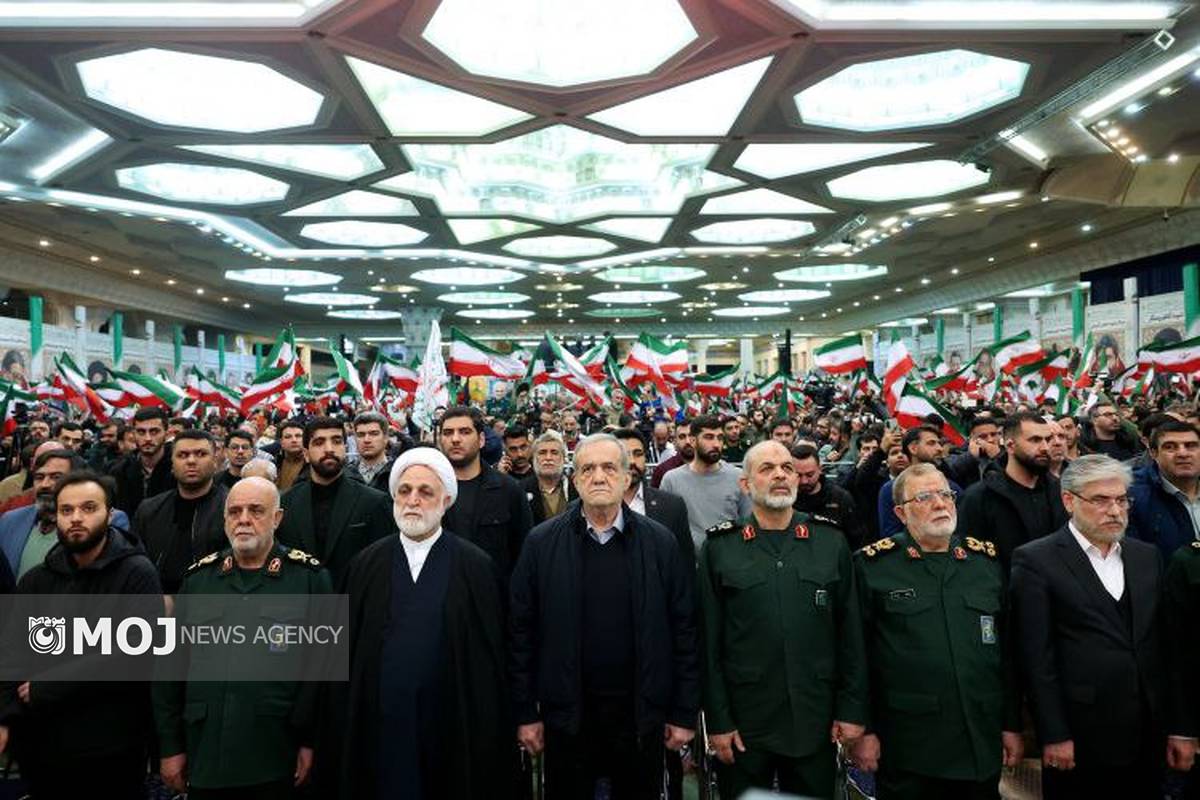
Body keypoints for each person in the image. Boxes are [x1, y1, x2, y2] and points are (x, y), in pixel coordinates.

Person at [510, 433, 699, 799]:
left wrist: (683, 712)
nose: (598, 477)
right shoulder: (541, 543)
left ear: (627, 477)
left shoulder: (660, 543)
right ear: (575, 478)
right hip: (567, 720)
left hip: (640, 718)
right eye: (588, 469)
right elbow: (521, 633)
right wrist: (526, 713)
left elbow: (684, 630)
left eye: (609, 468)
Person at [320, 448, 511, 799]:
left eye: (425, 492)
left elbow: (491, 662)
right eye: (405, 491)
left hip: (451, 728)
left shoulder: (476, 567)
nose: (413, 501)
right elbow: (341, 656)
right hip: (378, 726)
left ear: (446, 501)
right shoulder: (364, 565)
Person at [1010, 455, 1194, 799]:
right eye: (1101, 500)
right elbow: (1035, 659)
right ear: (1069, 501)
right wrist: (1054, 734)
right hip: (1080, 736)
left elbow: (1169, 648)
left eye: (1122, 500)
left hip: (1149, 735)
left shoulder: (1146, 557)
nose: (1115, 510)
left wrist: (1181, 728)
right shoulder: (1036, 560)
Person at [698, 440, 866, 799]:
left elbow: (851, 635)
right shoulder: (720, 547)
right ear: (745, 484)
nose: (780, 475)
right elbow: (708, 643)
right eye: (767, 468)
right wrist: (718, 721)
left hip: (814, 719)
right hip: (745, 723)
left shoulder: (830, 541)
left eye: (787, 468)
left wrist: (852, 710)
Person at [850, 463, 1022, 799]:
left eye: (946, 494)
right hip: (911, 744)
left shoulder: (984, 562)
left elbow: (1007, 655)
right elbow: (856, 656)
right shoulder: (873, 567)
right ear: (901, 513)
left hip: (980, 736)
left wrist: (1011, 724)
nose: (940, 503)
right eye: (925, 497)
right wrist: (864, 730)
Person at [154, 477, 329, 800]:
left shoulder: (309, 579)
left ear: (277, 518)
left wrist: (310, 742)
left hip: (276, 752)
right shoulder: (198, 580)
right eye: (234, 512)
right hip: (206, 752)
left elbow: (321, 672)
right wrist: (170, 747)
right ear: (224, 521)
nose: (244, 519)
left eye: (256, 511)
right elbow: (170, 671)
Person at [0, 471, 163, 798]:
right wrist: (4, 717)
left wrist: (50, 684)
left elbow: (134, 654)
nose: (76, 518)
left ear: (109, 514)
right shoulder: (37, 579)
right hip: (44, 747)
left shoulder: (136, 573)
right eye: (67, 510)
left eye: (88, 508)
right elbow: (13, 653)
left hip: (111, 749)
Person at [275, 417, 392, 582]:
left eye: (336, 441)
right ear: (306, 454)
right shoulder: (285, 504)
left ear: (345, 448)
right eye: (319, 443)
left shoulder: (375, 502)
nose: (329, 449)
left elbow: (384, 566)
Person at [958, 411, 1068, 570]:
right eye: (1035, 440)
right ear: (1010, 446)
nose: (1045, 447)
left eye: (1047, 439)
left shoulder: (1060, 492)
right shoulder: (979, 497)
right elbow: (971, 560)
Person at [0, 448, 129, 581]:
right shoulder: (10, 520)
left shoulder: (108, 519)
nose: (45, 484)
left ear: (76, 481)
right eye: (39, 477)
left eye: (56, 477)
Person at [438, 406, 532, 584]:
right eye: (448, 433)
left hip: (494, 594)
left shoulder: (509, 490)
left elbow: (524, 556)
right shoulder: (428, 491)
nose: (455, 439)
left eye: (464, 432)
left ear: (481, 440)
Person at [132, 429, 228, 595]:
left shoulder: (232, 510)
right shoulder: (149, 510)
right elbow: (136, 563)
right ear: (172, 463)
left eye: (200, 454)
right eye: (182, 455)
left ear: (215, 460)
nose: (191, 461)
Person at [661, 415, 752, 553]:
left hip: (729, 559)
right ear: (693, 441)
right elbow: (665, 529)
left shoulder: (738, 477)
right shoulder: (672, 480)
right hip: (687, 561)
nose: (716, 444)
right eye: (709, 437)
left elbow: (748, 524)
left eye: (720, 438)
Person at [613, 428, 693, 565]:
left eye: (638, 454)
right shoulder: (591, 506)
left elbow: (684, 562)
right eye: (624, 455)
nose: (632, 461)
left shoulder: (672, 506)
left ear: (646, 457)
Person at [1129, 419, 1200, 560]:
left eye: (1191, 446)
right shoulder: (1132, 496)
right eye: (1170, 447)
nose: (1183, 454)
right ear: (1153, 453)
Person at [877, 426, 961, 538]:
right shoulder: (891, 489)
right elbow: (891, 534)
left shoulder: (953, 487)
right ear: (913, 449)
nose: (939, 448)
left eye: (945, 495)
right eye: (931, 443)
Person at [791, 443, 866, 549]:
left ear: (820, 469)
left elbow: (857, 539)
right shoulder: (785, 500)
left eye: (809, 475)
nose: (804, 481)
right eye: (798, 475)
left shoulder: (840, 498)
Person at [110, 406, 176, 516]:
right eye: (141, 432)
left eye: (154, 431)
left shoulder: (178, 469)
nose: (148, 438)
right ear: (134, 433)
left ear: (166, 432)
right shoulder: (120, 471)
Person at [521, 429, 575, 525]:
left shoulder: (577, 488)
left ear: (564, 458)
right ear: (533, 458)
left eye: (554, 452)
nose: (548, 458)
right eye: (542, 453)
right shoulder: (520, 489)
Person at [347, 411, 403, 493]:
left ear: (386, 438)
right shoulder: (345, 474)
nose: (366, 440)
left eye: (374, 434)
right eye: (361, 435)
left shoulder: (399, 474)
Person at [943, 415, 1003, 488]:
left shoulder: (1008, 451)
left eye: (993, 434)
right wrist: (971, 456)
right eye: (983, 436)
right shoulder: (958, 453)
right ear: (972, 438)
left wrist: (999, 456)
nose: (990, 440)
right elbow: (949, 471)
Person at [273, 419, 307, 491]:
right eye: (288, 437)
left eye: (298, 436)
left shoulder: (313, 464)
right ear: (281, 442)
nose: (294, 440)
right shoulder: (274, 462)